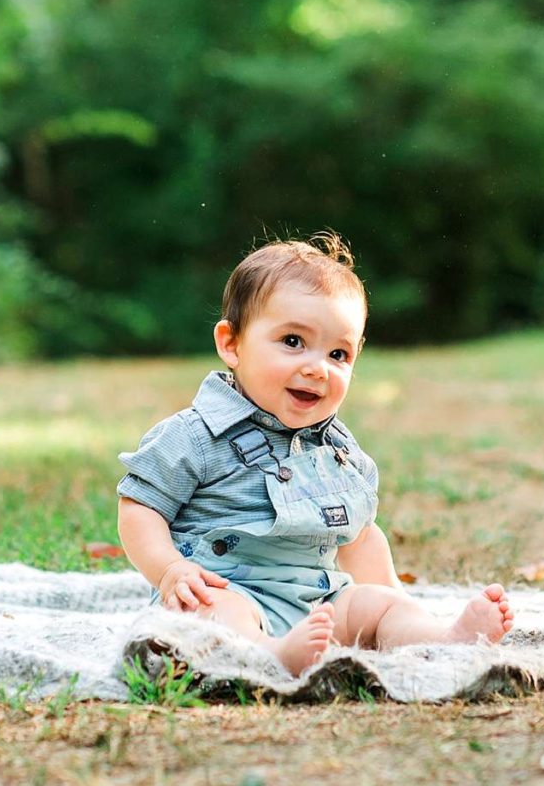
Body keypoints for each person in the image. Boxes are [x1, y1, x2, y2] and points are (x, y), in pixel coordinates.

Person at [117, 233, 513, 676]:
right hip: (227, 590)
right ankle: (268, 654)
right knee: (214, 616)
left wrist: (390, 600)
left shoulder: (342, 454)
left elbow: (361, 539)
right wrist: (170, 571)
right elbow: (140, 508)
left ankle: (441, 640)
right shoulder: (195, 435)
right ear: (232, 344)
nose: (316, 367)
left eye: (338, 353)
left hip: (320, 602)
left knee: (378, 607)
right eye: (292, 342)